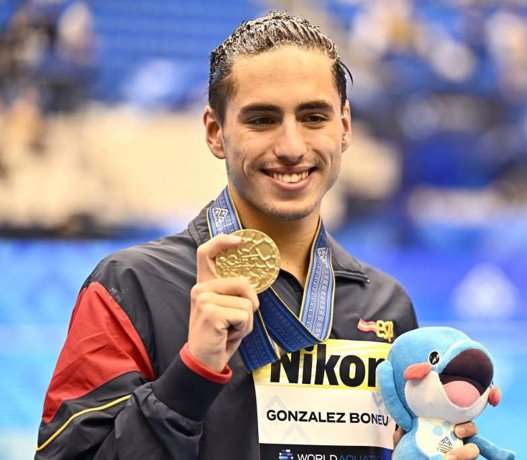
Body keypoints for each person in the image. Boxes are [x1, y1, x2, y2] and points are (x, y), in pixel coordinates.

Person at [35, 11, 482, 459]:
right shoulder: (130, 287)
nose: (290, 147)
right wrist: (192, 373)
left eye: (313, 117)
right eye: (262, 119)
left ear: (344, 127)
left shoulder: (385, 305)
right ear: (215, 132)